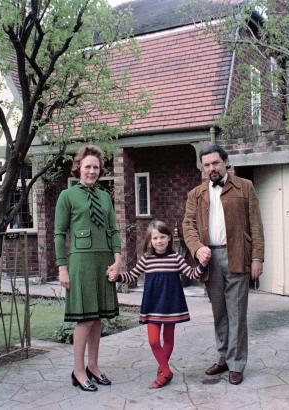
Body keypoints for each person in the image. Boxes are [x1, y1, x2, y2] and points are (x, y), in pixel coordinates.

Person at [182, 144, 264, 385]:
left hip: (237, 256)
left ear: (225, 162)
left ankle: (237, 363)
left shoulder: (245, 187)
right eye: (206, 165)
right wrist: (197, 248)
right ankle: (223, 358)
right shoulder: (195, 194)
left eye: (215, 163)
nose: (211, 168)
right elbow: (188, 225)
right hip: (209, 260)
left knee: (237, 313)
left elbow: (256, 225)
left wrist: (257, 258)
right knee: (219, 313)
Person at [54, 145, 122, 392]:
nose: (92, 171)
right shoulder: (67, 196)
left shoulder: (105, 196)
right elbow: (59, 234)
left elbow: (113, 229)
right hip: (80, 262)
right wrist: (62, 267)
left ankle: (93, 366)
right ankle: (78, 370)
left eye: (95, 167)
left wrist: (118, 259)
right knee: (84, 319)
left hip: (103, 261)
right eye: (87, 167)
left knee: (97, 319)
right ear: (78, 168)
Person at [109, 220, 205, 389]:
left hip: (171, 304)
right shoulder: (147, 259)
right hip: (153, 304)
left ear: (169, 238)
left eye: (162, 237)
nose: (159, 241)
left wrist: (203, 264)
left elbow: (192, 274)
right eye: (155, 238)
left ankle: (162, 373)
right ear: (150, 241)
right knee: (153, 341)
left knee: (168, 339)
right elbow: (131, 276)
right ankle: (166, 371)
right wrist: (116, 276)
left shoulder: (175, 258)